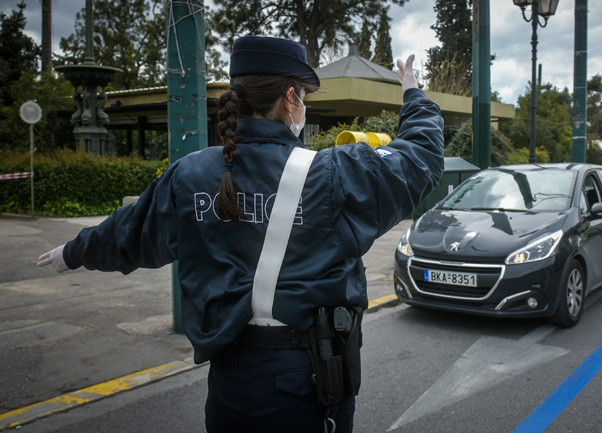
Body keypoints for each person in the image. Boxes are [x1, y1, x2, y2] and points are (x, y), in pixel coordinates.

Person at [37, 35, 444, 432]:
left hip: (229, 383)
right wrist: (412, 92)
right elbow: (422, 156)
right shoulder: (333, 173)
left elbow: (127, 233)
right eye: (304, 95)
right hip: (307, 384)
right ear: (290, 98)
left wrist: (73, 252)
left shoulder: (190, 173)